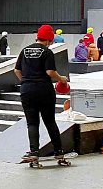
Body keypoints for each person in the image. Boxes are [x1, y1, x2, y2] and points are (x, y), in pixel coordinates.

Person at [14, 25, 69, 164]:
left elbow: (16, 70)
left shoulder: (25, 50)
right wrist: (61, 78)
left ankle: (34, 153)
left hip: (27, 90)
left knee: (32, 123)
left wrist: (26, 81)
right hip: (44, 90)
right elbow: (50, 72)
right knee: (50, 121)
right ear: (49, 40)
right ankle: (59, 152)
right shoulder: (47, 52)